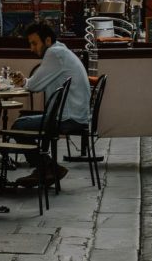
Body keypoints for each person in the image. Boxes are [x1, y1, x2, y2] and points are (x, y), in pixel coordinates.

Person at [11, 21, 92, 190]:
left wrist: (26, 82)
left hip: (68, 118)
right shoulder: (61, 51)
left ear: (47, 40)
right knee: (23, 121)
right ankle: (46, 168)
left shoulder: (54, 53)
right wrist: (25, 81)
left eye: (34, 43)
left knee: (18, 126)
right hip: (76, 115)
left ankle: (46, 168)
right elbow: (36, 83)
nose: (32, 49)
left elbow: (34, 86)